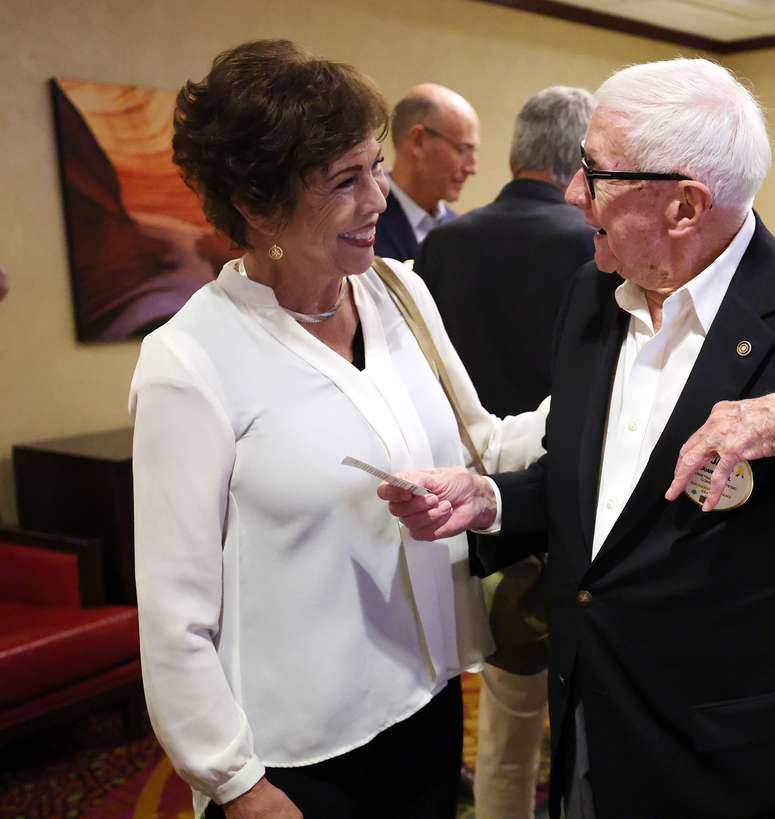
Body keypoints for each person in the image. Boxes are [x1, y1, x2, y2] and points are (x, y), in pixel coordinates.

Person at [381, 58, 775, 819]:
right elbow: (597, 486)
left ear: (685, 206)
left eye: (597, 173)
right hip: (586, 709)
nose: (573, 192)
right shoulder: (592, 290)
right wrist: (495, 499)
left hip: (720, 758)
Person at [130, 40, 544, 819]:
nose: (380, 197)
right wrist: (236, 783)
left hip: (425, 701)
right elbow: (174, 615)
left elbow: (483, 443)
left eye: (376, 166)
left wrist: (608, 387)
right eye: (345, 180)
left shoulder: (399, 294)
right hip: (296, 752)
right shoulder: (190, 361)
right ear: (259, 206)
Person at [415, 85, 596, 819]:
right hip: (575, 497)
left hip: (478, 501)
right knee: (589, 722)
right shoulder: (595, 244)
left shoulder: (444, 244)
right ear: (582, 160)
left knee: (505, 720)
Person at [373, 83, 479, 262]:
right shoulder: (363, 222)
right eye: (462, 150)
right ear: (418, 141)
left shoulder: (461, 233)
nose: (472, 168)